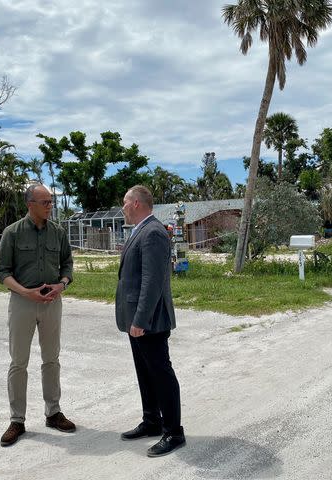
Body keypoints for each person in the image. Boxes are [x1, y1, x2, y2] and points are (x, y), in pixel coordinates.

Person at [0, 183, 75, 447]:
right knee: (19, 362)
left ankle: (53, 412)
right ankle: (17, 420)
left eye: (51, 201)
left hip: (52, 303)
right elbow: (2, 272)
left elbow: (67, 265)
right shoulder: (12, 233)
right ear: (30, 204)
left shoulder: (59, 233)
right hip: (22, 303)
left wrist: (61, 285)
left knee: (52, 359)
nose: (50, 206)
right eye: (45, 202)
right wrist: (26, 293)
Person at [116, 185, 186, 457]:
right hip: (138, 319)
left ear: (135, 203)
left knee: (161, 374)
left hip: (150, 320)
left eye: (125, 202)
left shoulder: (154, 232)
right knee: (145, 372)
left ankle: (174, 431)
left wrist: (140, 319)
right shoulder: (140, 230)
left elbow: (152, 281)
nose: (122, 207)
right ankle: (152, 421)